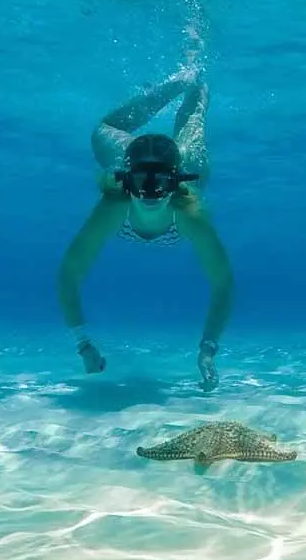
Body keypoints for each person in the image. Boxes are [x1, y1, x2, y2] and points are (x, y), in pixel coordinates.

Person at [56, 57, 233, 392]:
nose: (150, 192)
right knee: (102, 130)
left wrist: (208, 351)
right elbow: (69, 274)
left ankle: (196, 79)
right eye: (141, 181)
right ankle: (180, 80)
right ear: (126, 181)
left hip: (182, 163)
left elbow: (223, 283)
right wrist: (84, 345)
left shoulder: (189, 212)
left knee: (192, 127)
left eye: (161, 182)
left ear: (176, 182)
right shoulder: (113, 206)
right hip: (130, 160)